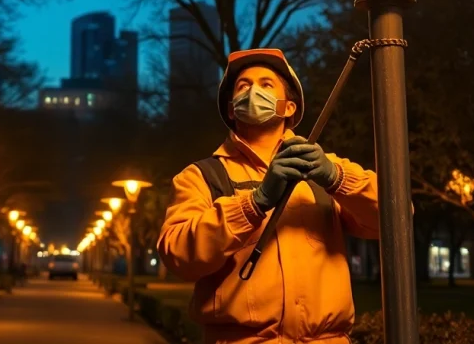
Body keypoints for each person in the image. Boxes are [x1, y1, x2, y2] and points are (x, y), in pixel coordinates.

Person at [158, 48, 380, 344]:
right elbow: (178, 257)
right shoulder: (201, 177)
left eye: (266, 84)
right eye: (243, 86)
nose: (253, 92)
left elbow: (394, 218)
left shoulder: (323, 170)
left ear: (289, 107)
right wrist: (255, 202)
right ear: (230, 109)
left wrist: (336, 178)